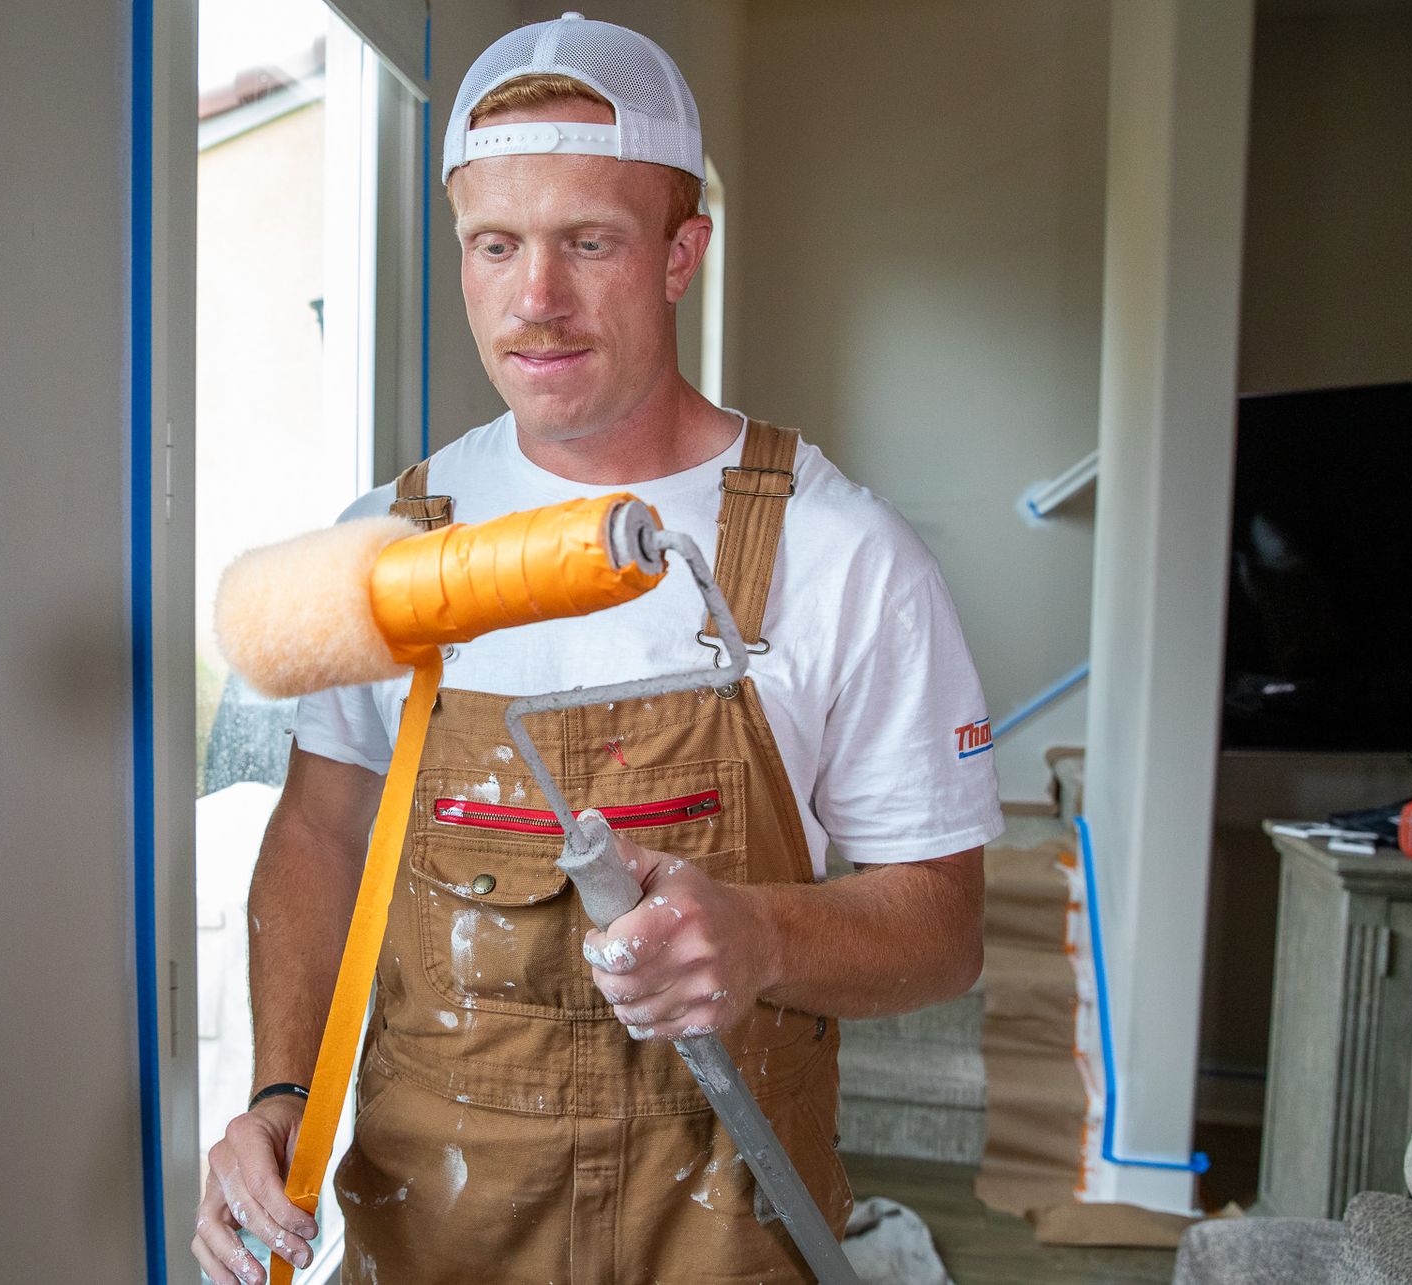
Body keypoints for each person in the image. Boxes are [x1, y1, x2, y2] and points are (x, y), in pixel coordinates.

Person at [191, 12, 1004, 1284]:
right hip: (432, 1231)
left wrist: (767, 940)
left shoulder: (845, 555)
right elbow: (321, 831)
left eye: (590, 242)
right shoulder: (391, 546)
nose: (537, 299)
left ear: (683, 254)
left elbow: (942, 928)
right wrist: (282, 1091)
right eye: (496, 244)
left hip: (726, 1223)